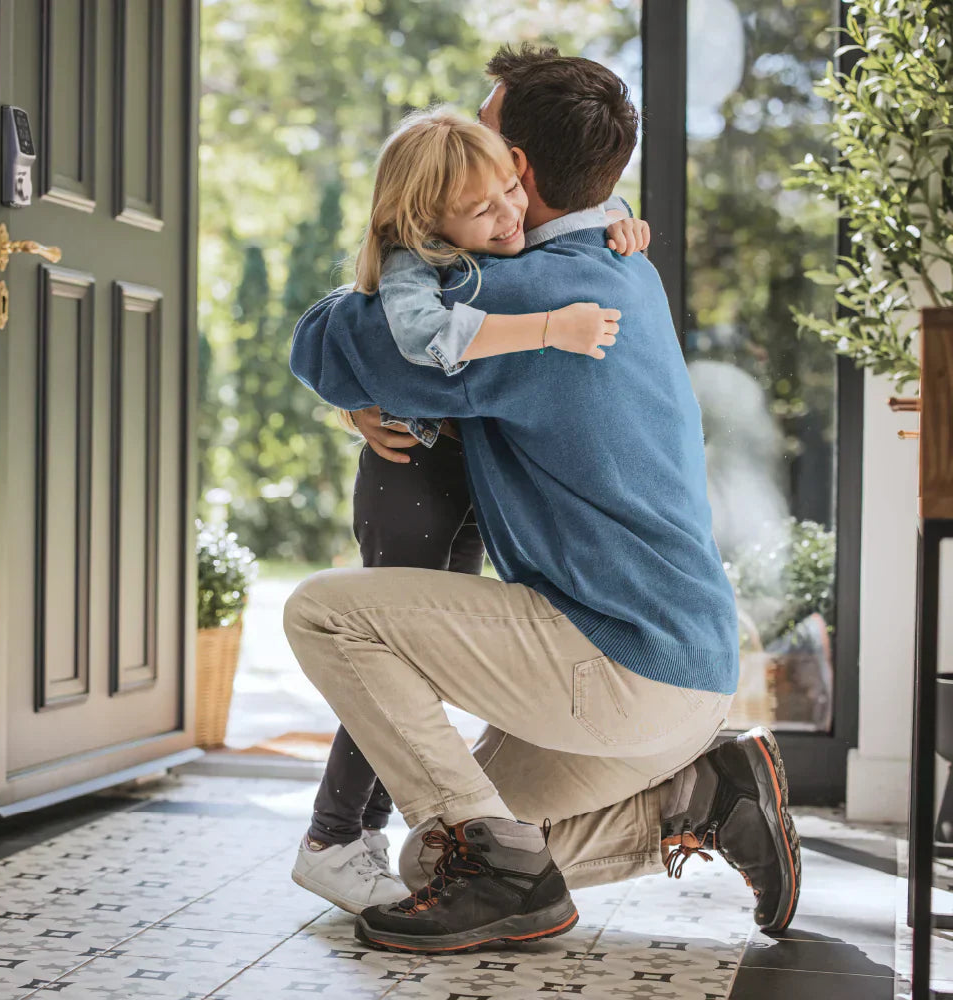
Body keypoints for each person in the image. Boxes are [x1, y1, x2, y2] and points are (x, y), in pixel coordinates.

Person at [285, 44, 800, 954]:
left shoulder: (512, 294)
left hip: (615, 664)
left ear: (513, 169)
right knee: (425, 863)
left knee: (325, 614)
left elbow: (325, 345)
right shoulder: (619, 269)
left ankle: (503, 870)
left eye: (481, 132)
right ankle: (706, 795)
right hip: (684, 675)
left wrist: (373, 381)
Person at [290, 106, 649, 915]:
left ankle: (355, 833)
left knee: (412, 671)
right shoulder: (416, 266)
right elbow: (421, 339)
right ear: (425, 221)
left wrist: (624, 222)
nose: (509, 214)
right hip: (410, 478)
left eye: (509, 195)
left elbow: (585, 205)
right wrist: (553, 328)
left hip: (454, 482)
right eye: (484, 210)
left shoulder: (486, 229)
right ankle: (333, 836)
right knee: (385, 663)